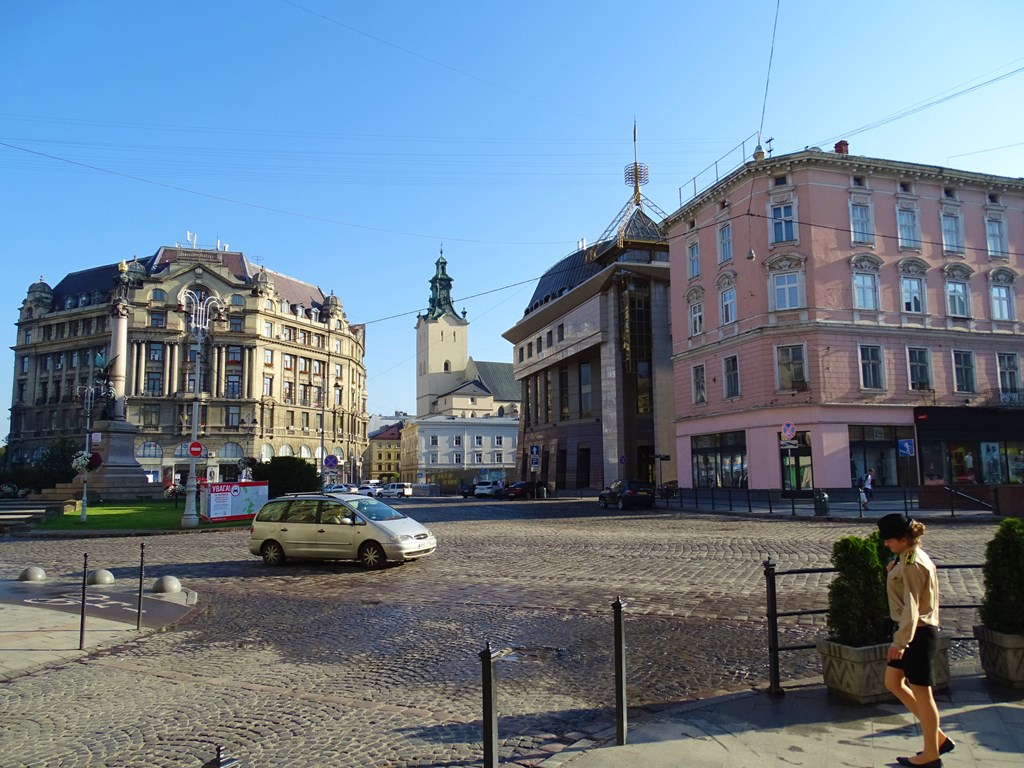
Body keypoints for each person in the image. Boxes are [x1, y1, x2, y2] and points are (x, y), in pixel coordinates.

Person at [877, 513, 952, 768]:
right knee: (892, 682)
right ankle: (938, 738)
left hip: (917, 633)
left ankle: (931, 754)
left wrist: (899, 643)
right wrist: (893, 568)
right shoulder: (907, 557)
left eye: (889, 540)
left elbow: (911, 608)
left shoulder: (910, 563)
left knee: (923, 694)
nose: (886, 544)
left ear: (902, 538)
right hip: (913, 631)